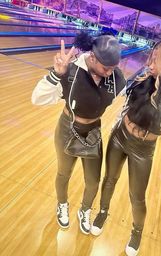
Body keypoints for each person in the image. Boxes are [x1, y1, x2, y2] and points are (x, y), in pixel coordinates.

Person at [90, 38, 161, 256]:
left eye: (156, 60)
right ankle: (103, 212)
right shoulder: (147, 77)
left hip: (143, 150)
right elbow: (127, 104)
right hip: (120, 136)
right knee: (109, 179)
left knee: (137, 196)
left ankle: (137, 231)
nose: (149, 64)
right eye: (151, 58)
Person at [31, 32, 126, 232]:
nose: (109, 72)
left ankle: (85, 210)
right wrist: (57, 73)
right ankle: (62, 204)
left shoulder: (117, 79)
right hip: (68, 128)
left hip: (93, 131)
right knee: (63, 173)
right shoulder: (70, 71)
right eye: (105, 67)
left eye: (113, 68)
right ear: (92, 57)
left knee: (93, 181)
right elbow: (37, 99)